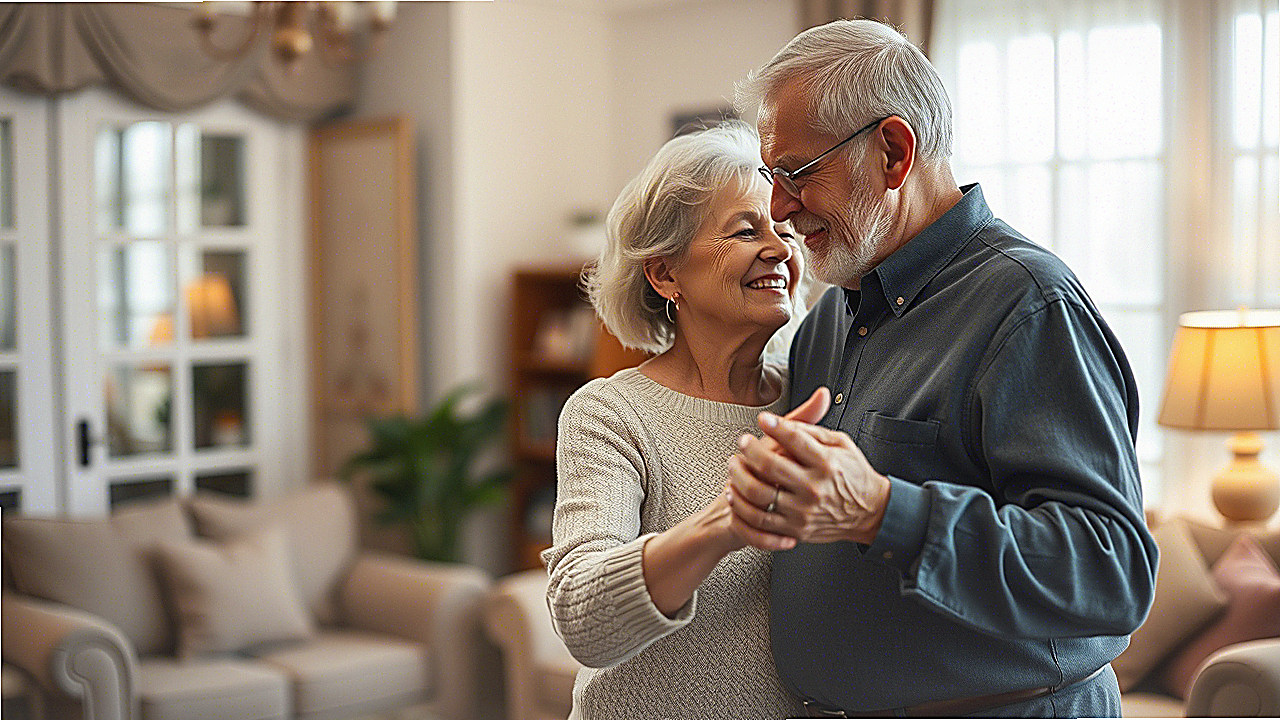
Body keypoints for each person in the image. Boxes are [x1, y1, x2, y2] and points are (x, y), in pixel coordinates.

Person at [723, 19, 1159, 718]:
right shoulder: (826, 323)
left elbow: (1109, 572)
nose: (777, 209)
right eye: (771, 179)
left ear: (893, 151)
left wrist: (881, 510)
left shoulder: (1029, 305)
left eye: (797, 174)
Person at [541, 120, 826, 720]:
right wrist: (724, 523)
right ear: (665, 274)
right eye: (746, 231)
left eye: (784, 229)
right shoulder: (612, 413)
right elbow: (581, 618)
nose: (779, 249)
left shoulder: (814, 396)